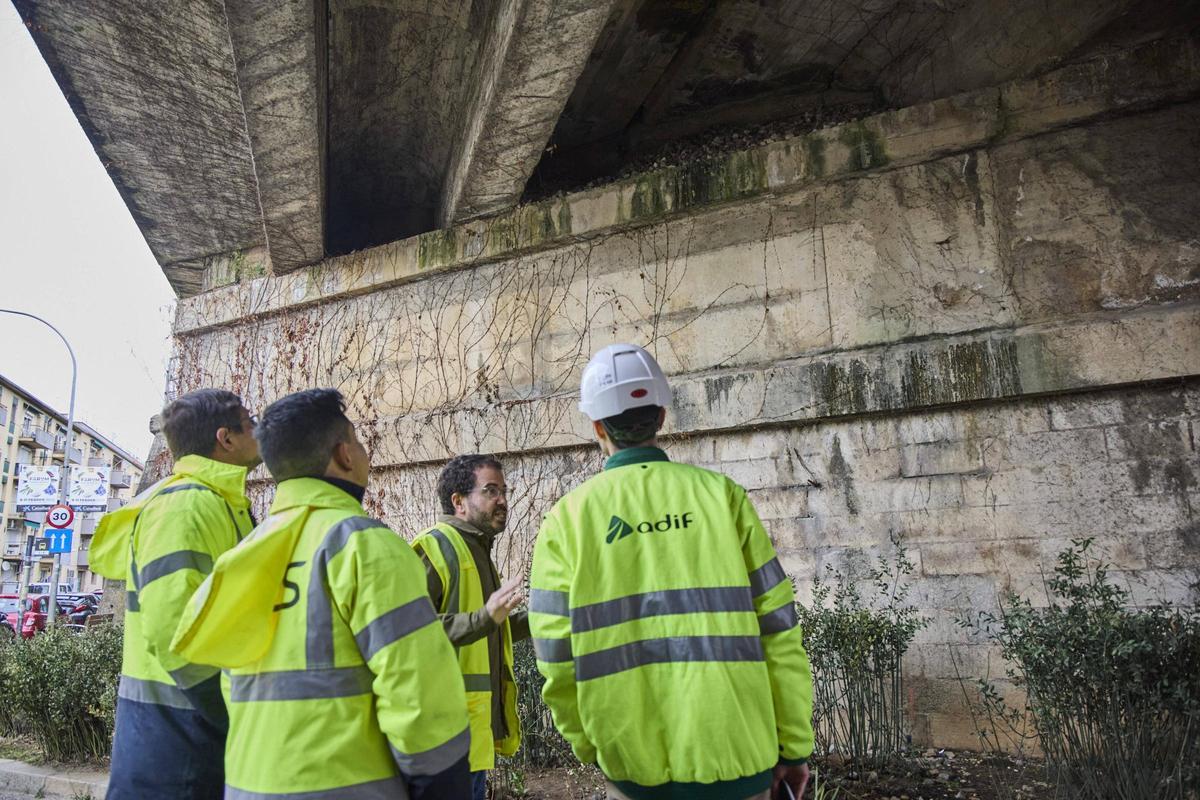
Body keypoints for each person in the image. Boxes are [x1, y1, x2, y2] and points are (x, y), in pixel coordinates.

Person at [530, 344, 814, 800]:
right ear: (661, 416)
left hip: (631, 766)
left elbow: (555, 657)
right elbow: (780, 632)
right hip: (739, 756)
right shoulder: (722, 497)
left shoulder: (567, 520)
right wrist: (794, 746)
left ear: (597, 426)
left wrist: (591, 746)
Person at [170, 388, 471, 798]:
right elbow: (418, 691)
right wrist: (442, 783)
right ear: (344, 455)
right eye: (358, 442)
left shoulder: (242, 556)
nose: (363, 453)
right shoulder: (364, 545)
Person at [92, 389, 260, 800]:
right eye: (250, 422)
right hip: (176, 740)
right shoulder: (185, 507)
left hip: (181, 732)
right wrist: (230, 714)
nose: (259, 430)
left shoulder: (216, 502)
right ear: (226, 438)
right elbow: (174, 631)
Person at [412, 454, 528, 800]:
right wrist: (485, 618)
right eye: (491, 491)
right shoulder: (434, 547)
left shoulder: (476, 549)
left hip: (471, 735)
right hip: (442, 740)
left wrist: (546, 618)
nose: (502, 500)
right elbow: (410, 632)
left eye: (504, 491)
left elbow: (491, 628)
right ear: (458, 501)